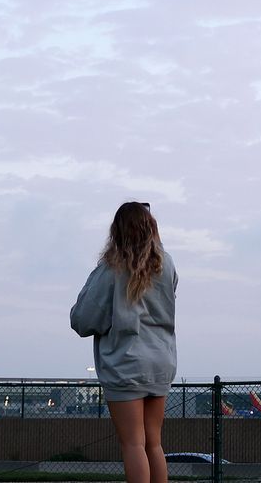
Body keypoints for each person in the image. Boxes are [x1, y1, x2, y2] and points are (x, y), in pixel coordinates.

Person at [71, 201, 178, 483]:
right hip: (161, 361)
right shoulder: (167, 264)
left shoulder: (112, 268)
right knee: (153, 443)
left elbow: (82, 319)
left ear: (116, 232)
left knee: (133, 443)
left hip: (127, 362)